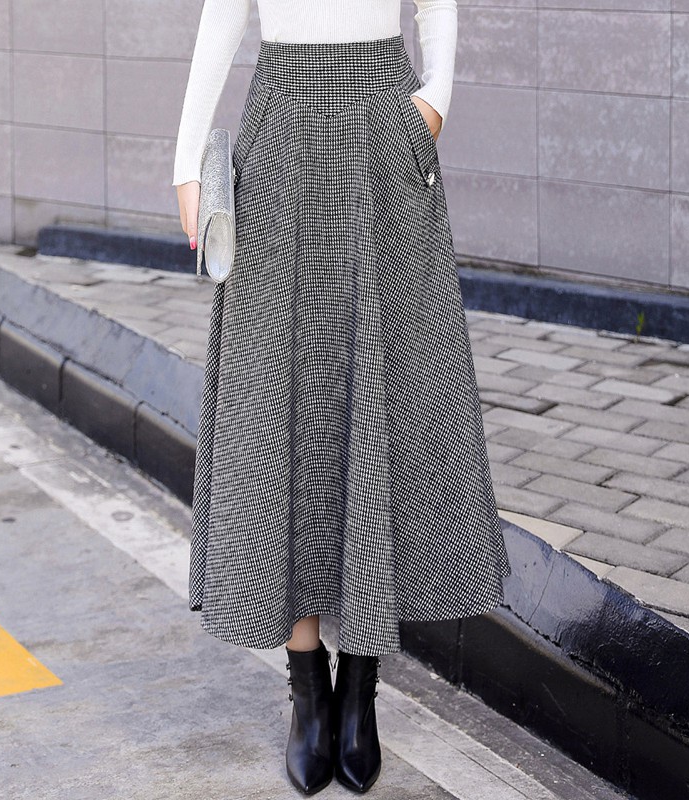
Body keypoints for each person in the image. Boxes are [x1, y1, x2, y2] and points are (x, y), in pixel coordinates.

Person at [172, 1, 512, 795]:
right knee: (281, 403)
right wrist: (186, 164)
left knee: (385, 387)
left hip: (386, 126)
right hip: (280, 128)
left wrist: (434, 100)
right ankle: (307, 686)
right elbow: (222, 16)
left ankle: (361, 683)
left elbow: (436, 5)